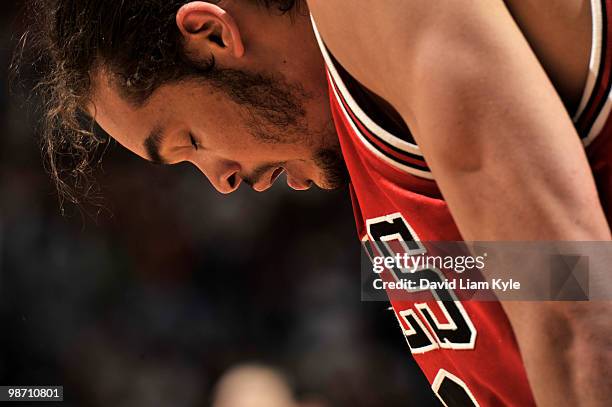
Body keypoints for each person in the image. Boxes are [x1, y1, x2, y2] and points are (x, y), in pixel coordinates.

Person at [19, 0, 612, 405]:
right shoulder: (370, 124)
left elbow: (575, 304)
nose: (222, 181)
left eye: (189, 143)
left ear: (212, 34)